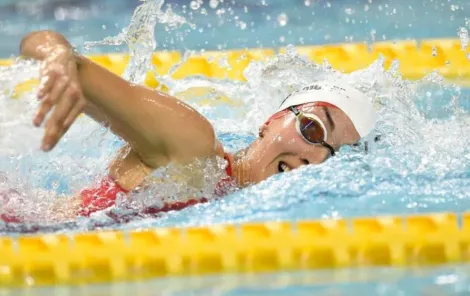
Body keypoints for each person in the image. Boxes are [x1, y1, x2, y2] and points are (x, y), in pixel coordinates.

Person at [1, 30, 377, 223]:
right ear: (271, 121)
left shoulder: (233, 201)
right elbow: (45, 45)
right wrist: (56, 55)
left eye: (333, 154)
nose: (314, 157)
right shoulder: (194, 147)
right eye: (313, 129)